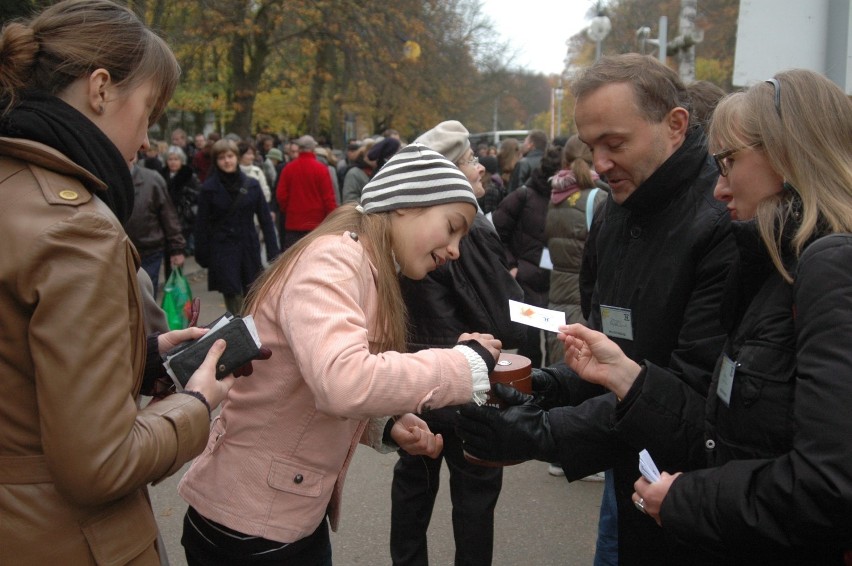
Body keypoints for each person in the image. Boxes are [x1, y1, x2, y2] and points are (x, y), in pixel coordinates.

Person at [556, 69, 852, 564]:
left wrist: (688, 499)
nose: (719, 188)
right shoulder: (780, 265)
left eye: (729, 162)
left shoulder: (828, 266)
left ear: (787, 155)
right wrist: (626, 377)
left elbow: (827, 482)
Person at [455, 53, 736, 565]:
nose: (599, 163)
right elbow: (610, 356)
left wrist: (542, 432)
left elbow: (696, 401)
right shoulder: (615, 212)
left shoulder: (722, 223)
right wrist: (545, 387)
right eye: (591, 145)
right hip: (636, 476)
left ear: (675, 125)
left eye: (615, 143)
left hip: (697, 502)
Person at [179, 143, 503, 565]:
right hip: (250, 525)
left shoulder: (364, 265)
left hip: (279, 519)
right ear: (406, 205)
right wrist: (464, 364)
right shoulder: (335, 259)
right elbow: (341, 381)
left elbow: (306, 383)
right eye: (452, 226)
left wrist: (383, 424)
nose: (456, 249)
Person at [0, 1, 240, 562]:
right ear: (101, 89)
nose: (147, 141)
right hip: (65, 539)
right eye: (149, 113)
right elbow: (100, 464)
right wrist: (198, 405)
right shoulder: (76, 228)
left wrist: (143, 355)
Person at [390, 121, 524, 566]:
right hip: (467, 381)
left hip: (415, 380)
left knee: (414, 487)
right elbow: (501, 312)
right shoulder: (469, 230)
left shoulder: (409, 229)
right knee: (474, 499)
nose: (480, 166)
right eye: (468, 160)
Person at [492, 147, 563, 368]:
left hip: (556, 284)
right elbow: (494, 232)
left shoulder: (571, 198)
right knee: (530, 346)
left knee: (557, 347)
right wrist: (512, 266)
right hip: (526, 283)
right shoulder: (523, 196)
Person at [195, 138, 280, 315]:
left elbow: (265, 220)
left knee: (252, 294)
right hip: (223, 250)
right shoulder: (208, 189)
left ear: (236, 157)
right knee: (233, 296)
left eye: (230, 156)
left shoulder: (252, 185)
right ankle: (239, 332)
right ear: (216, 161)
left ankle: (252, 332)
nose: (227, 161)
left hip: (248, 246)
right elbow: (202, 224)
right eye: (221, 158)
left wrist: (274, 253)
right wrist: (202, 253)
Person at [125, 159, 186, 297]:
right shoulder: (103, 176)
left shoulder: (152, 180)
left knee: (145, 298)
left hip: (148, 252)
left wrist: (177, 249)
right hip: (117, 253)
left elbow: (168, 216)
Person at [275, 134, 338, 250]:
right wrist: (332, 221)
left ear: (299, 149)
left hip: (293, 223)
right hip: (316, 224)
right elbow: (328, 199)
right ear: (313, 149)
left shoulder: (288, 169)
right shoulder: (321, 169)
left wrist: (287, 209)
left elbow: (281, 195)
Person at [162, 144, 201, 258]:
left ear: (182, 160)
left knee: (179, 251)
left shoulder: (189, 175)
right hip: (165, 218)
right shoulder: (162, 175)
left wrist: (185, 195)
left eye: (176, 159)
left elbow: (198, 194)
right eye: (170, 159)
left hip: (183, 218)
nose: (173, 162)